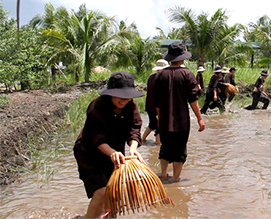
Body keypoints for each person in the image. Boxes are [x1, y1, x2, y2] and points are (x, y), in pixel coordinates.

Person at [73, 71, 145, 219]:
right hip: (89, 153)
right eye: (120, 95)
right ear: (110, 93)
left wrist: (133, 148)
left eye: (127, 96)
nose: (124, 100)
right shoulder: (97, 106)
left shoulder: (131, 106)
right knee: (101, 191)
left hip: (115, 153)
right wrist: (112, 152)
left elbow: (135, 128)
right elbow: (96, 136)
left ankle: (108, 216)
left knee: (114, 191)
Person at [154, 42, 206, 183]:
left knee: (165, 147)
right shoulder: (187, 74)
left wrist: (159, 117)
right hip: (181, 120)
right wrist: (200, 119)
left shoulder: (160, 75)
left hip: (164, 120)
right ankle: (176, 179)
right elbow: (193, 100)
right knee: (180, 150)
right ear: (182, 58)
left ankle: (164, 175)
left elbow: (157, 101)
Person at [142, 59, 170, 145]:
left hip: (150, 105)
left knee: (152, 123)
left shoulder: (151, 77)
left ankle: (142, 139)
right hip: (159, 105)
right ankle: (158, 144)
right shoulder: (164, 78)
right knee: (159, 125)